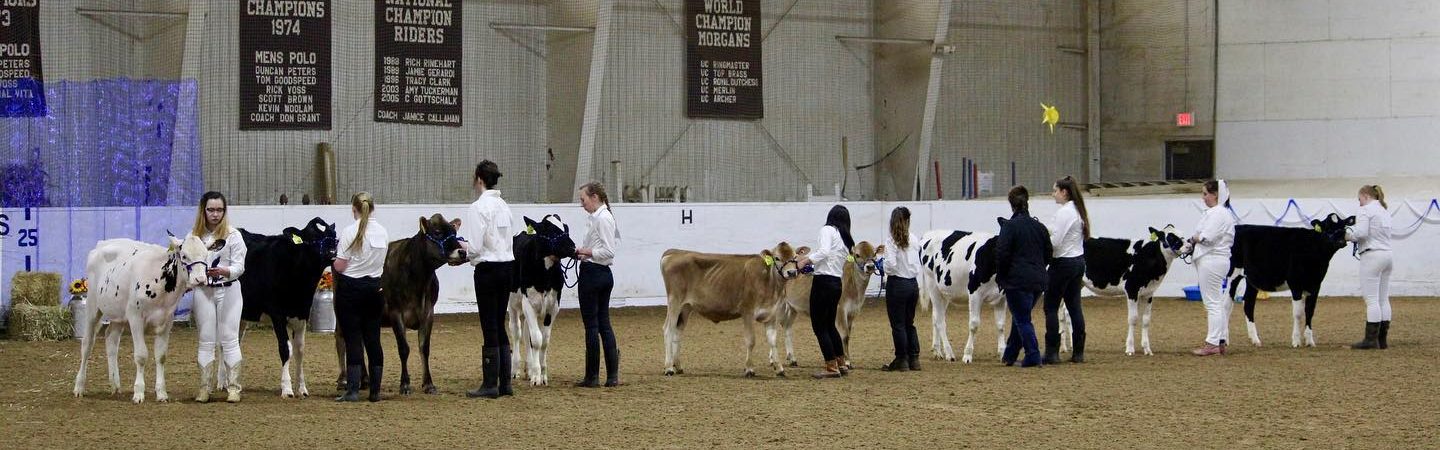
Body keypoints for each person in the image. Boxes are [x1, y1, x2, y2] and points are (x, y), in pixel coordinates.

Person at [460, 160, 517, 398]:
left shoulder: (478, 207)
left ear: (479, 179)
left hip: (488, 270)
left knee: (489, 324)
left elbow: (474, 247)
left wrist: (461, 245)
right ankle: (505, 383)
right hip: (507, 267)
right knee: (500, 322)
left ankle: (490, 384)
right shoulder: (504, 206)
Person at [187, 191, 248, 403]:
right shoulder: (193, 237)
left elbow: (240, 266)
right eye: (211, 210)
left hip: (229, 289)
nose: (215, 214)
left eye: (219, 210)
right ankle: (205, 388)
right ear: (203, 211)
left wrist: (224, 271)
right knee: (205, 340)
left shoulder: (233, 235)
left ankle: (234, 388)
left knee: (230, 339)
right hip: (204, 291)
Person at [333, 192, 389, 402]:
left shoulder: (349, 231)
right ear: (373, 208)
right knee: (373, 338)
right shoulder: (383, 233)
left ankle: (353, 390)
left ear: (353, 209)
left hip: (351, 290)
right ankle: (375, 391)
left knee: (353, 339)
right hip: (374, 289)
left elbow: (340, 265)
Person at [796, 205, 855, 379]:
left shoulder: (827, 230)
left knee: (819, 326)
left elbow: (824, 252)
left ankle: (831, 367)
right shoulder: (845, 238)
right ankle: (841, 363)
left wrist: (804, 261)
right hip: (836, 282)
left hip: (823, 282)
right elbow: (827, 256)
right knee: (830, 325)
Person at [997, 186, 1052, 368]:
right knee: (1020, 316)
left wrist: (1002, 276)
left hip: (1016, 281)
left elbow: (1002, 254)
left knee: (1022, 319)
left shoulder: (1009, 227)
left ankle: (1033, 355)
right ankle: (1010, 355)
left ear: (1011, 205)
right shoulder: (1040, 227)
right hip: (1038, 281)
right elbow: (1048, 253)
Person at [574, 182, 622, 387]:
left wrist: (584, 252)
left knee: (592, 326)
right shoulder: (601, 217)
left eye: (583, 200)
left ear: (594, 197)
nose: (582, 204)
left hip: (593, 274)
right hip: (601, 274)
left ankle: (592, 376)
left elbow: (608, 252)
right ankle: (611, 376)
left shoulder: (602, 219)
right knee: (603, 323)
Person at [1184, 180, 1236, 356]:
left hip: (1212, 260)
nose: (1203, 197)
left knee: (1212, 303)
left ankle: (1212, 343)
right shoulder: (1219, 213)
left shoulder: (1218, 214)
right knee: (1216, 302)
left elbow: (1207, 237)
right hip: (1215, 260)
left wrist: (1194, 239)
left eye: (1205, 194)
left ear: (1215, 195)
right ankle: (1219, 340)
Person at [1044, 176, 1091, 364]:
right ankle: (1078, 352)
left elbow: (1055, 242)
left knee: (1050, 307)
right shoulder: (1078, 211)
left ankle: (1052, 352)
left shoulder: (1064, 212)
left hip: (1062, 263)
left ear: (1064, 192)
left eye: (1055, 190)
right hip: (1078, 261)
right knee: (1074, 306)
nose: (1053, 194)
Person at [1348, 184, 1392, 350]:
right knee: (1383, 299)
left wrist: (1347, 235)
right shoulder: (1384, 210)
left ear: (1365, 196)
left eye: (1359, 199)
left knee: (1372, 300)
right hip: (1388, 255)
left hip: (1372, 256)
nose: (1359, 203)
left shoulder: (1365, 210)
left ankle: (1370, 340)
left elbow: (1362, 233)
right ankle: (1382, 340)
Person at [880, 207, 923, 372]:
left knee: (898, 324)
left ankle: (901, 358)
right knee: (909, 322)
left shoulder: (891, 240)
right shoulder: (913, 239)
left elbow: (890, 266)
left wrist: (882, 265)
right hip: (912, 285)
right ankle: (914, 358)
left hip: (897, 285)